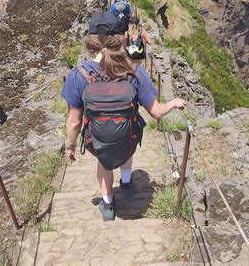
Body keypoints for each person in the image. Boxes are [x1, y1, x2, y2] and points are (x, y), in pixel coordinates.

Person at [62, 11, 186, 221]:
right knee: (127, 135)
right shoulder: (134, 72)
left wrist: (70, 147)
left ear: (92, 41)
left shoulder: (78, 75)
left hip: (98, 138)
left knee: (104, 158)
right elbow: (156, 112)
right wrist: (174, 103)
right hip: (128, 135)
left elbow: (74, 122)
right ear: (122, 37)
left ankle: (108, 204)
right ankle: (126, 182)